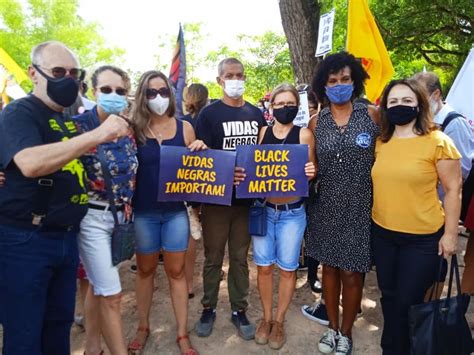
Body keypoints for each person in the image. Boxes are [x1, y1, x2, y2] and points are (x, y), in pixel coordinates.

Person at [0, 41, 130, 355]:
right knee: (25, 333)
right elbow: (30, 162)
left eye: (74, 73)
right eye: (58, 72)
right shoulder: (21, 112)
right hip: (26, 240)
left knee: (58, 327)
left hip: (63, 237)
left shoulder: (65, 119)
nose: (67, 79)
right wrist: (97, 135)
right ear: (34, 73)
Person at [371, 78, 461, 355]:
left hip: (421, 240)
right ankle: (392, 347)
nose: (400, 106)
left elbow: (453, 188)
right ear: (385, 107)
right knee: (389, 296)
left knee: (408, 302)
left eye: (407, 101)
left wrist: (450, 235)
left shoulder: (438, 141)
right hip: (383, 234)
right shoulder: (382, 142)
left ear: (419, 104)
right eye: (393, 101)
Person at [303, 51, 380, 355]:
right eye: (332, 80)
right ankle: (332, 328)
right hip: (326, 206)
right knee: (329, 270)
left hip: (361, 206)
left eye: (345, 79)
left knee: (352, 273)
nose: (339, 85)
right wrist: (309, 171)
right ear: (324, 85)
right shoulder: (314, 122)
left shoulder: (373, 116)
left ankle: (346, 333)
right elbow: (312, 166)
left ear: (355, 81)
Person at [129, 70, 205, 355]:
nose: (158, 97)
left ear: (171, 95)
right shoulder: (133, 129)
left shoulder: (185, 128)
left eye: (163, 91)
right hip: (144, 213)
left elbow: (198, 171)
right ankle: (142, 327)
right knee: (146, 271)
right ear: (142, 96)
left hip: (175, 212)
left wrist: (200, 148)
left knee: (177, 272)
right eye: (151, 92)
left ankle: (183, 334)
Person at [194, 57, 266, 340]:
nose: (235, 79)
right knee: (213, 258)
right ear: (219, 80)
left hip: (246, 201)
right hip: (217, 202)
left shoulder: (256, 113)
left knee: (239, 258)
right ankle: (208, 307)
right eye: (229, 75)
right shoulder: (208, 115)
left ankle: (239, 310)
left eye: (240, 75)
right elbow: (203, 157)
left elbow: (263, 154)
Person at [72, 65, 138, 355]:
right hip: (91, 217)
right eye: (106, 90)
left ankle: (92, 346)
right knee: (112, 294)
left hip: (120, 219)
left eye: (120, 91)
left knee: (97, 284)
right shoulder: (77, 126)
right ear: (94, 91)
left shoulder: (128, 128)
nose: (113, 95)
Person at [245, 83, 316, 349]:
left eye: (290, 104)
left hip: (292, 213)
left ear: (296, 106)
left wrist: (311, 170)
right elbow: (253, 168)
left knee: (287, 269)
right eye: (279, 103)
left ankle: (279, 321)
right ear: (271, 106)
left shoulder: (305, 134)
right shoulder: (262, 133)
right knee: (264, 268)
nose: (285, 108)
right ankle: (265, 318)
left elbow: (313, 168)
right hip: (264, 210)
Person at [182, 83, 209, 298]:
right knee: (208, 231)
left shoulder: (182, 123)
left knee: (190, 233)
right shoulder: (209, 118)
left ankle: (188, 284)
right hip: (209, 183)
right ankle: (210, 269)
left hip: (187, 185)